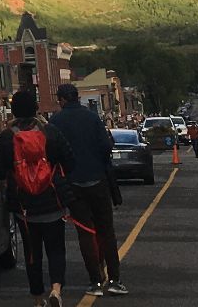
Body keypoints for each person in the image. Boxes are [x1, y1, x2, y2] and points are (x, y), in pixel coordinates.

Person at [49, 83, 127, 297]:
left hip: (73, 184)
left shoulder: (55, 122)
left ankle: (95, 281)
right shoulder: (92, 118)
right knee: (106, 231)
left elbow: (52, 155)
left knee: (85, 233)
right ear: (77, 98)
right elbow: (106, 147)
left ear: (62, 100)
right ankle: (114, 279)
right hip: (98, 180)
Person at [0, 89, 70, 307]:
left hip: (23, 206)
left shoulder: (7, 137)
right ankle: (56, 289)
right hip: (52, 201)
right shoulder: (50, 132)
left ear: (14, 110)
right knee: (56, 248)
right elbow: (69, 160)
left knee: (31, 253)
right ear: (36, 108)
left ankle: (38, 299)